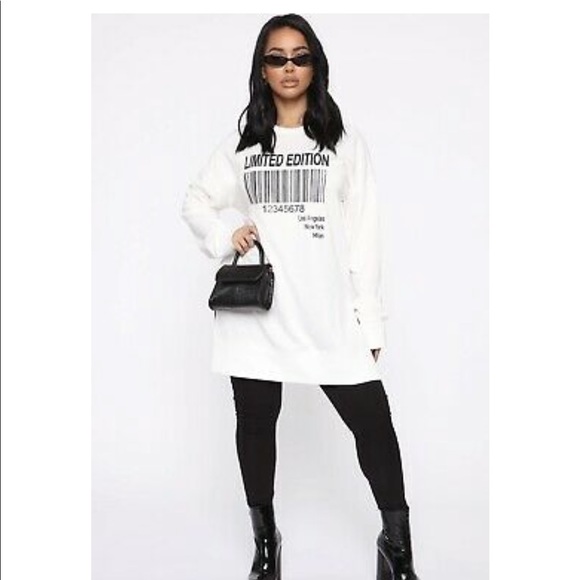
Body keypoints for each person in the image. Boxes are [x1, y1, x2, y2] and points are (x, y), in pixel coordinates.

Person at [181, 13, 420, 580]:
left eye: (300, 57)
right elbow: (196, 200)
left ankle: (397, 547)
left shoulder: (342, 142)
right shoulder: (244, 144)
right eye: (276, 58)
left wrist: (370, 322)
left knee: (373, 425)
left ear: (315, 66)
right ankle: (266, 544)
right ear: (262, 70)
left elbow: (364, 236)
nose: (289, 67)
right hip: (258, 317)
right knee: (255, 426)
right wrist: (227, 235)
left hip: (326, 312)